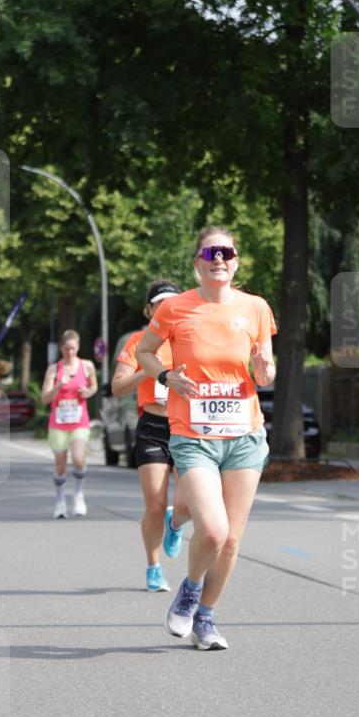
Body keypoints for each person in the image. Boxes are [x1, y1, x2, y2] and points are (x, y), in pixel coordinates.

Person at [136, 227, 276, 650]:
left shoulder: (255, 308)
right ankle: (191, 589)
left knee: (233, 537)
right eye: (210, 252)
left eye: (226, 252)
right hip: (193, 435)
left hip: (244, 436)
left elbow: (266, 373)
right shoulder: (176, 308)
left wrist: (263, 367)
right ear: (197, 262)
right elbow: (144, 352)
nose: (219, 259)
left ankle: (207, 619)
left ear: (236, 260)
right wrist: (165, 375)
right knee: (212, 532)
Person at [111, 280, 189, 593]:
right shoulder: (136, 341)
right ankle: (153, 567)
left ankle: (176, 523)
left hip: (187, 427)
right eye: (159, 303)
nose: (166, 307)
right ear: (149, 309)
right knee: (154, 505)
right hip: (153, 429)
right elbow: (117, 387)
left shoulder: (190, 338)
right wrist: (150, 368)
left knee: (189, 503)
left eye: (173, 301)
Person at [41, 329, 97, 519]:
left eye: (73, 348)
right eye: (66, 349)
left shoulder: (87, 366)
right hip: (58, 423)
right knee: (60, 465)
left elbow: (94, 387)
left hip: (79, 421)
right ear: (61, 348)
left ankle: (79, 495)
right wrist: (58, 385)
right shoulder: (53, 369)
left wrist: (88, 392)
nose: (70, 352)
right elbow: (44, 399)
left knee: (79, 458)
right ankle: (60, 502)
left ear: (78, 347)